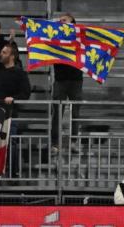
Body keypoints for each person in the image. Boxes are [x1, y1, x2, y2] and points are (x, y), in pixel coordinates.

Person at [0, 39, 31, 177]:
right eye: (1, 52)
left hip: (10, 114)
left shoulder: (19, 73)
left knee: (11, 143)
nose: (1, 54)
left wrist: (14, 98)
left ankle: (12, 173)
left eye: (4, 52)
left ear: (12, 56)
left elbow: (26, 93)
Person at [51, 13, 84, 154]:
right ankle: (55, 144)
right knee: (57, 112)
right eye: (59, 21)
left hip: (76, 79)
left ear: (72, 22)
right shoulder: (55, 36)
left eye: (64, 20)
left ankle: (74, 142)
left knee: (75, 112)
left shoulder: (79, 36)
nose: (60, 22)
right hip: (60, 80)